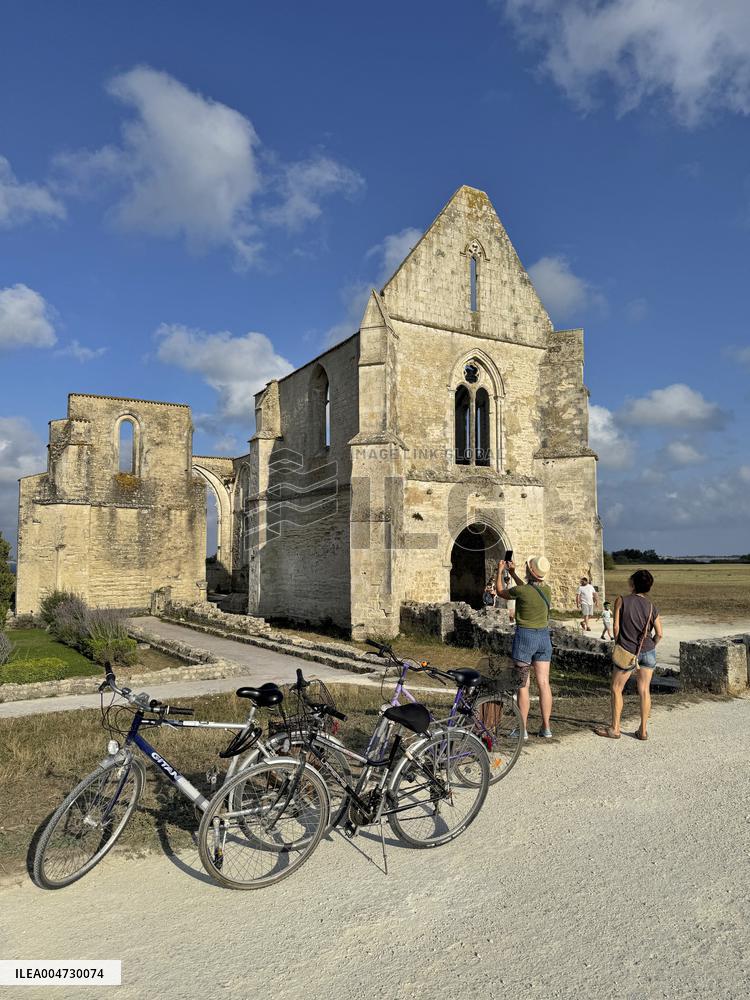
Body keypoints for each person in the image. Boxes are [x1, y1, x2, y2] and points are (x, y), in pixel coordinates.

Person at [595, 569, 663, 741]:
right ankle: (643, 730)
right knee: (644, 691)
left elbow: (616, 627)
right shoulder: (651, 607)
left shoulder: (621, 600)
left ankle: (615, 728)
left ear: (632, 583)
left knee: (617, 688)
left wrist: (619, 644)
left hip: (626, 650)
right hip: (647, 650)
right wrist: (650, 646)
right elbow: (660, 633)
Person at [495, 555, 553, 740]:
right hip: (544, 637)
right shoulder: (548, 590)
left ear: (530, 571)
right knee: (544, 683)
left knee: (523, 685)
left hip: (525, 637)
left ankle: (523, 729)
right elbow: (527, 589)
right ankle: (546, 727)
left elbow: (500, 591)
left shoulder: (523, 591)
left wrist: (500, 571)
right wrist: (513, 573)